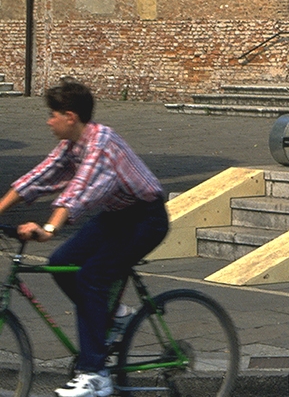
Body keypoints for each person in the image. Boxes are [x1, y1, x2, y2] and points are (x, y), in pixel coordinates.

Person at [0, 79, 168, 397]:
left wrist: (49, 229)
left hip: (146, 219)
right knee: (61, 262)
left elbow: (79, 191)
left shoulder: (101, 142)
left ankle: (96, 375)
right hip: (117, 217)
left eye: (53, 115)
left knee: (92, 277)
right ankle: (115, 316)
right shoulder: (71, 145)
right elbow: (39, 176)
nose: (48, 121)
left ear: (70, 116)